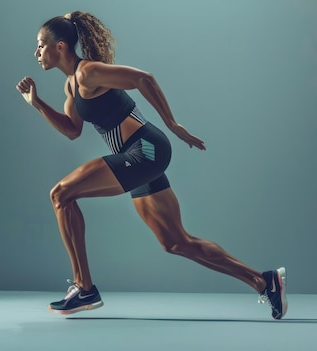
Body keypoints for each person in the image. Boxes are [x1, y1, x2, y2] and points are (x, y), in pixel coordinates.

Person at [16, 11, 287, 319]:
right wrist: (36, 103)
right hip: (139, 158)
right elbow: (72, 130)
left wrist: (173, 124)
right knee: (176, 242)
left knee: (61, 194)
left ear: (60, 46)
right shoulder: (71, 87)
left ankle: (84, 288)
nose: (36, 52)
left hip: (145, 150)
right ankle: (264, 282)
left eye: (40, 45)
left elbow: (143, 78)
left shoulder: (87, 73)